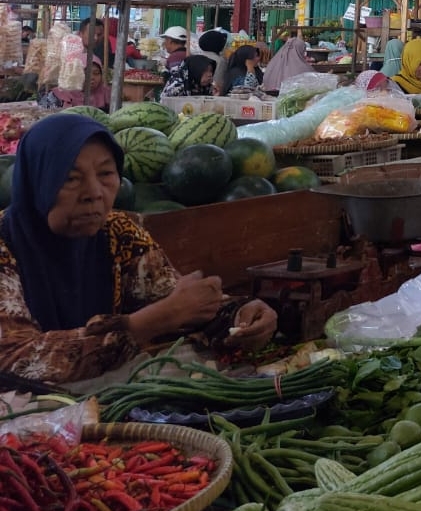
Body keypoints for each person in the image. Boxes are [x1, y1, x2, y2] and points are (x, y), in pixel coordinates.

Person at [0, 115, 278, 385]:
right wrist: (145, 325)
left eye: (106, 174)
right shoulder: (4, 243)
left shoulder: (119, 232)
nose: (94, 192)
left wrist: (238, 313)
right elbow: (15, 358)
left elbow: (174, 298)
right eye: (71, 178)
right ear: (35, 182)